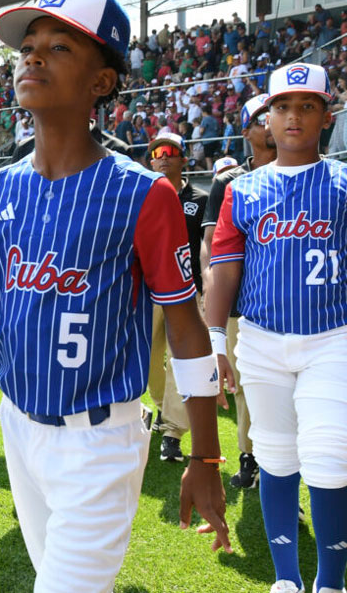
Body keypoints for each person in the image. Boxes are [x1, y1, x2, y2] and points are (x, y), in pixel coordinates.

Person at [0, 0, 231, 592]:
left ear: (102, 81)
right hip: (18, 426)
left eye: (60, 47)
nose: (34, 56)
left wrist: (204, 454)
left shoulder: (145, 193)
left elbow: (186, 329)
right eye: (28, 46)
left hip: (100, 439)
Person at [207, 62, 347, 593]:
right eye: (282, 106)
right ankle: (287, 580)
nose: (293, 116)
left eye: (307, 106)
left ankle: (331, 584)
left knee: (331, 460)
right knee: (274, 457)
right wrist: (212, 345)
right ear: (266, 118)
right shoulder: (241, 191)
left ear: (326, 116)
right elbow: (224, 272)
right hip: (260, 340)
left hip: (334, 339)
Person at [199, 94, 275, 491]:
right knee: (245, 386)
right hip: (240, 303)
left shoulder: (307, 172)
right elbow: (211, 244)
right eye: (264, 116)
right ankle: (251, 456)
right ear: (246, 131)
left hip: (284, 304)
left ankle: (279, 466)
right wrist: (211, 294)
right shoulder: (229, 181)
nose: (274, 121)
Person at [143, 132, 208, 463]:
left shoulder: (202, 197)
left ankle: (171, 432)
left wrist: (207, 285)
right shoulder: (142, 194)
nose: (162, 155)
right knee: (149, 358)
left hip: (186, 290)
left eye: (170, 150)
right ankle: (162, 407)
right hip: (149, 289)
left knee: (178, 361)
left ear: (184, 159)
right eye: (156, 152)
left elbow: (207, 245)